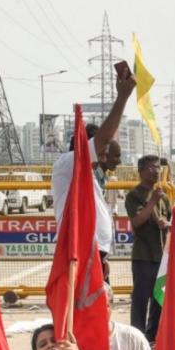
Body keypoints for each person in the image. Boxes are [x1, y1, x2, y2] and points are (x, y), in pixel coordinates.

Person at [52, 69, 135, 279]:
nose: (105, 155)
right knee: (83, 310)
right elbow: (104, 138)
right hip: (79, 248)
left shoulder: (89, 174)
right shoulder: (70, 162)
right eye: (103, 150)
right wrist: (123, 96)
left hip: (95, 251)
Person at [123, 154, 171, 342]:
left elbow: (170, 221)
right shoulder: (134, 195)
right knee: (141, 301)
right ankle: (137, 338)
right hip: (143, 256)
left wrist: (166, 223)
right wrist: (151, 203)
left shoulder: (164, 196)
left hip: (161, 256)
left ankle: (152, 337)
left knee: (159, 300)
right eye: (151, 168)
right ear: (141, 171)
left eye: (158, 168)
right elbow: (136, 222)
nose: (156, 172)